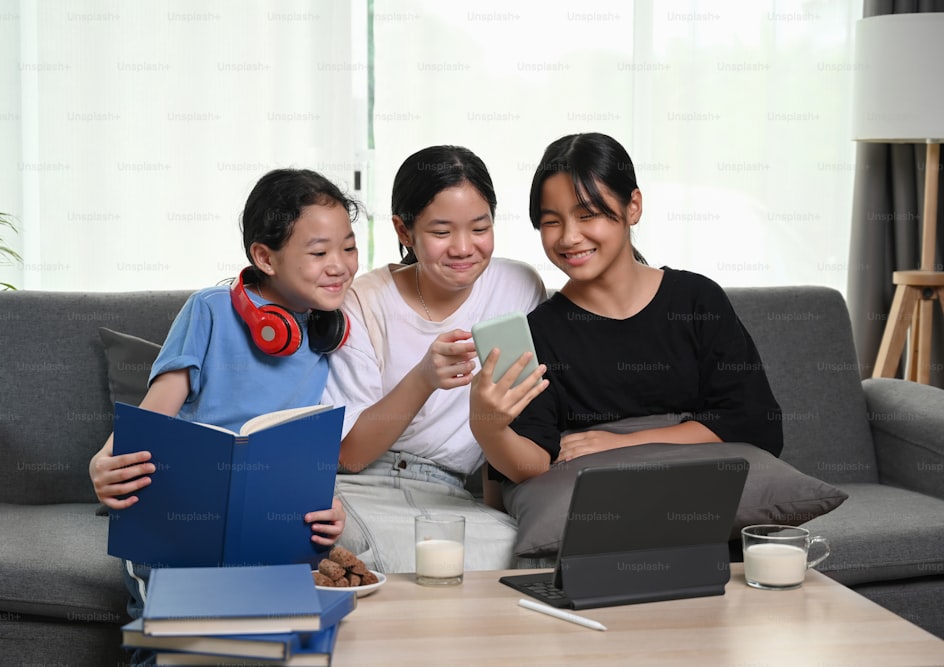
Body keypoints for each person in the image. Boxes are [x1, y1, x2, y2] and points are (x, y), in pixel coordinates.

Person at [88, 168, 359, 664]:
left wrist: (328, 507)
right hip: (179, 524)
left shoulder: (324, 337)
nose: (339, 265)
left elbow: (303, 455)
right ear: (264, 257)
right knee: (182, 644)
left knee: (286, 645)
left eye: (349, 247)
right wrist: (104, 462)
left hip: (265, 533)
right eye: (319, 252)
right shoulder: (210, 311)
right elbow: (154, 416)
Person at [470, 132, 783, 484]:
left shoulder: (697, 301)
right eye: (551, 221)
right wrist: (488, 428)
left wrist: (624, 442)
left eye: (588, 214)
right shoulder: (540, 333)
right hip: (601, 518)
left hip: (709, 500)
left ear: (632, 206)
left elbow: (756, 423)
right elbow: (532, 465)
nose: (569, 237)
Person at [322, 145, 549, 573]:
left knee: (518, 551)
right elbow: (349, 456)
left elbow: (516, 425)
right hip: (363, 487)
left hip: (451, 495)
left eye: (480, 227)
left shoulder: (518, 287)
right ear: (404, 231)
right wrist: (423, 377)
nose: (464, 248)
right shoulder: (363, 300)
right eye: (441, 232)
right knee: (382, 550)